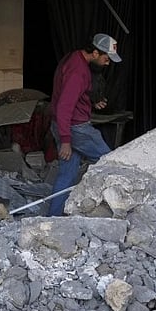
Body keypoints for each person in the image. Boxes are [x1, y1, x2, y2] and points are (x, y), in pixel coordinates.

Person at [47, 33, 122, 215]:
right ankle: (116, 208)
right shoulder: (78, 72)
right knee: (111, 162)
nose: (107, 63)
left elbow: (71, 94)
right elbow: (64, 106)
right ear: (95, 53)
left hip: (62, 125)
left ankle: (53, 216)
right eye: (106, 58)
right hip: (76, 129)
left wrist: (90, 102)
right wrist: (66, 140)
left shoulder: (73, 58)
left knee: (67, 175)